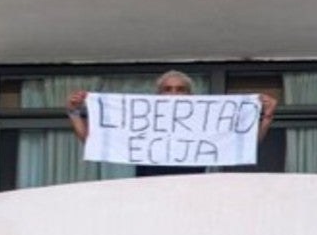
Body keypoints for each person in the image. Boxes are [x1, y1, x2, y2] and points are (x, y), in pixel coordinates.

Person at [66, 70, 277, 175]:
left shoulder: (202, 120)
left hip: (190, 196)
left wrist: (266, 116)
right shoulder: (142, 119)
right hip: (147, 195)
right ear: (157, 96)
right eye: (167, 89)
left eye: (180, 89)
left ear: (191, 96)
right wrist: (75, 113)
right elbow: (97, 143)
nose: (174, 94)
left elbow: (242, 145)